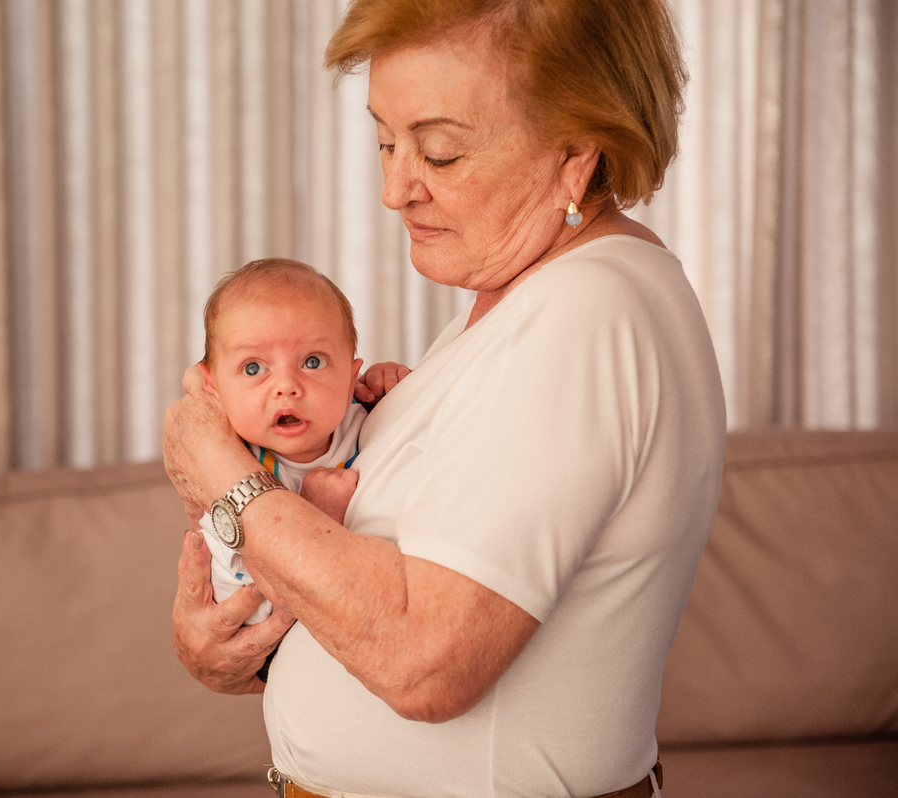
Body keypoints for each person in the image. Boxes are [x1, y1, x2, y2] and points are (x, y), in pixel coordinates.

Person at [163, 0, 726, 796]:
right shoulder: (521, 300)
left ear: (574, 153)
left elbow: (425, 663)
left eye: (441, 152)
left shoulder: (587, 317)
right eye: (387, 140)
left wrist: (224, 478)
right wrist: (239, 649)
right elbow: (389, 600)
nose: (395, 189)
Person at [193, 258, 407, 625]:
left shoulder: (364, 417)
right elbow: (277, 591)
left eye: (312, 361)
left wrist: (393, 385)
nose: (286, 386)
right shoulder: (232, 466)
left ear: (350, 374)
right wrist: (314, 513)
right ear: (213, 387)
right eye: (253, 368)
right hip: (266, 622)